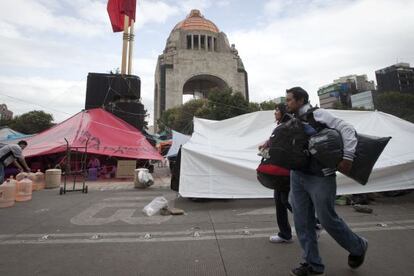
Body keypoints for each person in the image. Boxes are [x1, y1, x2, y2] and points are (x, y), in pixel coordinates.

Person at [285, 87, 368, 275]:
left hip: (320, 176)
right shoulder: (292, 119)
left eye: (289, 100)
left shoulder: (319, 114)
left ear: (300, 100)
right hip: (297, 175)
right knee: (302, 222)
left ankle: (358, 246)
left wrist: (347, 157)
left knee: (327, 219)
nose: (287, 103)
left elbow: (347, 129)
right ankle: (312, 264)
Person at [257, 104, 322, 244]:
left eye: (277, 110)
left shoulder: (291, 124)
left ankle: (314, 223)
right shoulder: (284, 124)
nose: (275, 112)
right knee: (280, 201)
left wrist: (269, 144)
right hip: (281, 168)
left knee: (285, 200)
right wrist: (268, 144)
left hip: (285, 169)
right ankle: (285, 234)